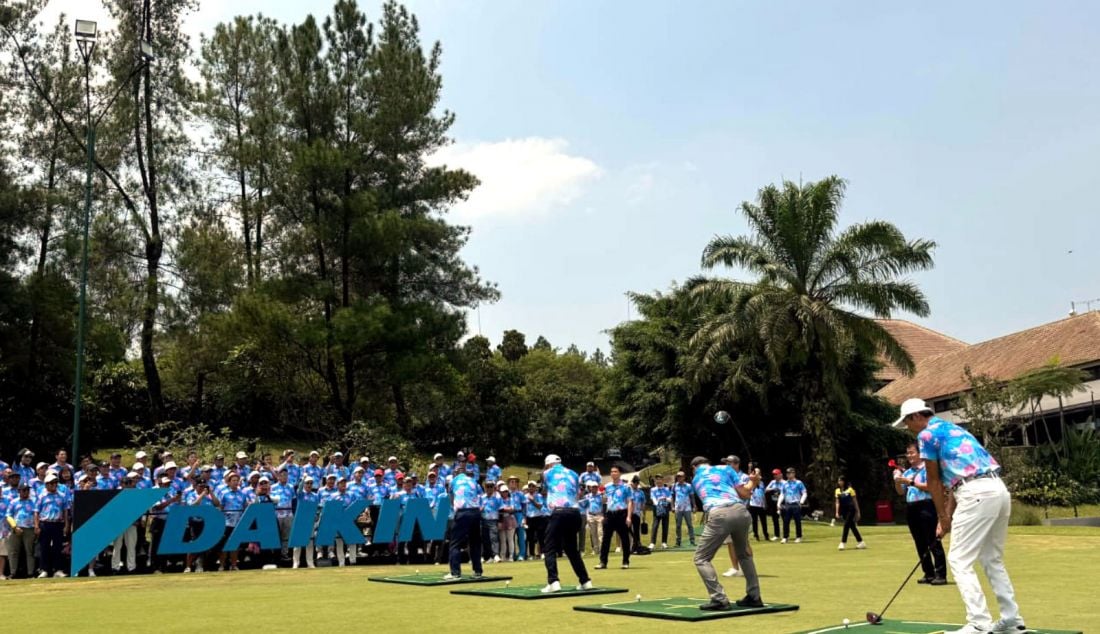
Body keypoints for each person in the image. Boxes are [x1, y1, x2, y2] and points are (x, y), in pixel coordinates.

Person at [896, 398, 1024, 634]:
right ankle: (1011, 620)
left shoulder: (926, 435)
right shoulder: (954, 428)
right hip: (998, 490)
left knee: (959, 559)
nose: (908, 429)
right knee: (991, 558)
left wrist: (943, 518)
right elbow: (956, 481)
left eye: (907, 423)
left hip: (975, 493)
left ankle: (979, 623)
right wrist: (947, 515)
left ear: (916, 416)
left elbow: (934, 481)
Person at [691, 455, 762, 611]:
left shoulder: (696, 479)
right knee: (744, 554)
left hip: (719, 514)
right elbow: (745, 494)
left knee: (701, 558)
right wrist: (754, 481)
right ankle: (754, 596)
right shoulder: (727, 468)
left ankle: (719, 599)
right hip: (741, 512)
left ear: (694, 467)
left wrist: (752, 482)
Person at [895, 440, 947, 585]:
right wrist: (898, 481)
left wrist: (911, 482)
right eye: (908, 453)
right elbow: (900, 492)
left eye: (912, 452)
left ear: (920, 453)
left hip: (927, 505)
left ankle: (940, 574)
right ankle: (928, 572)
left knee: (932, 539)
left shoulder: (927, 469)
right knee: (919, 541)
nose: (909, 455)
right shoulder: (908, 472)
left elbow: (932, 487)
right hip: (912, 507)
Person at [539, 454, 593, 593]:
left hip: (558, 512)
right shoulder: (574, 474)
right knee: (571, 549)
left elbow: (544, 490)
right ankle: (585, 580)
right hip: (574, 513)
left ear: (548, 464)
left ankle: (553, 582)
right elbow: (577, 493)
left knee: (549, 547)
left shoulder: (546, 473)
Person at [444, 466, 484, 580]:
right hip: (475, 512)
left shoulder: (453, 481)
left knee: (455, 543)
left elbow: (451, 498)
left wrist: (456, 508)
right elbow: (480, 495)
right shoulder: (473, 481)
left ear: (455, 474)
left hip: (463, 512)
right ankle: (477, 571)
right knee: (475, 542)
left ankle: (455, 572)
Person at [34, 473, 70, 578]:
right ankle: (44, 570)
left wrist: (66, 525)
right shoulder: (41, 496)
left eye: (55, 482)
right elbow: (36, 511)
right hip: (45, 523)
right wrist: (36, 526)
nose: (54, 485)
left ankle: (58, 569)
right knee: (44, 547)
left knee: (57, 547)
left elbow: (65, 511)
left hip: (58, 524)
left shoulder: (62, 495)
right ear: (46, 484)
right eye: (52, 483)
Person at [597, 465, 632, 570]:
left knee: (624, 538)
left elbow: (630, 502)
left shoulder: (626, 487)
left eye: (615, 471)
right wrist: (603, 514)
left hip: (621, 513)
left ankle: (625, 561)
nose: (613, 473)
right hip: (610, 514)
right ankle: (603, 562)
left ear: (620, 473)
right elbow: (604, 501)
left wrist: (629, 517)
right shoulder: (608, 487)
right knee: (606, 539)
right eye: (612, 471)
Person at [111, 472, 143, 574]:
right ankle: (115, 567)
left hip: (132, 523)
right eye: (125, 483)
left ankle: (131, 567)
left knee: (131, 546)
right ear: (121, 484)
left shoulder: (135, 495)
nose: (127, 485)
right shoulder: (116, 495)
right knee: (117, 546)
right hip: (118, 524)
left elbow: (138, 509)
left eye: (128, 483)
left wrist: (137, 520)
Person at [6, 483, 36, 578]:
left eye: (27, 490)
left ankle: (31, 573)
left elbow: (37, 514)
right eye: (23, 490)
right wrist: (14, 527)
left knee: (30, 551)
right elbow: (8, 515)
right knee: (13, 551)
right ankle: (13, 573)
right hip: (16, 528)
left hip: (30, 528)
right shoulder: (14, 502)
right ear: (19, 491)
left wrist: (36, 526)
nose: (26, 492)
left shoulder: (33, 501)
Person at [293, 477, 320, 568]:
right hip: (300, 520)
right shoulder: (301, 494)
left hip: (310, 521)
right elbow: (299, 489)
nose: (309, 485)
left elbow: (316, 507)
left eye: (310, 483)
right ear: (304, 484)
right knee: (298, 543)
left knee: (310, 543)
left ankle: (310, 562)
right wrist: (303, 479)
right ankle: (296, 562)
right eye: (307, 483)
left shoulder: (315, 496)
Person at [835, 475, 866, 550]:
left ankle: (843, 542)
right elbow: (837, 502)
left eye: (841, 481)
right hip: (844, 510)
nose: (839, 482)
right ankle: (861, 542)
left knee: (846, 525)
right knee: (852, 526)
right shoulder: (837, 491)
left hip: (851, 509)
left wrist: (858, 512)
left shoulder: (850, 489)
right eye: (839, 481)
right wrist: (837, 512)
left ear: (844, 481)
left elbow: (855, 501)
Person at [779, 467, 806, 543]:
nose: (788, 475)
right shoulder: (785, 483)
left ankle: (798, 536)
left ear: (794, 474)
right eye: (787, 473)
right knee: (786, 521)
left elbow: (804, 492)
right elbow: (782, 494)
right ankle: (785, 537)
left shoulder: (799, 483)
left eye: (790, 473)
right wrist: (779, 503)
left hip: (796, 504)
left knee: (797, 521)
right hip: (787, 504)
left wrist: (801, 502)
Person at [524, 481, 547, 558]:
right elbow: (524, 508)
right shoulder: (525, 496)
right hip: (529, 518)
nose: (531, 488)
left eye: (533, 486)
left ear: (535, 488)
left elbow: (540, 506)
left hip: (538, 517)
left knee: (541, 536)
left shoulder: (539, 496)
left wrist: (533, 500)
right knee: (530, 537)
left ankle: (543, 552)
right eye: (530, 486)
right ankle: (531, 554)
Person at [672, 471, 696, 548]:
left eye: (681, 476)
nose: (679, 478)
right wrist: (672, 506)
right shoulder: (674, 486)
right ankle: (678, 542)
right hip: (678, 508)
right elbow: (672, 496)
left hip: (687, 508)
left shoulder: (688, 486)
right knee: (678, 525)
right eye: (678, 476)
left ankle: (692, 541)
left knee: (689, 525)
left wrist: (694, 506)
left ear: (684, 477)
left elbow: (692, 496)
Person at [649, 475, 672, 549]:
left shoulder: (666, 489)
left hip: (665, 508)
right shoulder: (653, 489)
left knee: (665, 525)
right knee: (655, 526)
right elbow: (653, 498)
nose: (658, 481)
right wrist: (658, 503)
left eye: (660, 479)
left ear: (663, 480)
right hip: (657, 508)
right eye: (657, 479)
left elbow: (670, 499)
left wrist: (665, 498)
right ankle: (652, 543)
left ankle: (664, 542)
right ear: (655, 481)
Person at [748, 467, 770, 541]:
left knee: (764, 521)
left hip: (761, 505)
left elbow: (763, 494)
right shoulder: (751, 482)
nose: (757, 474)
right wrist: (750, 468)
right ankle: (756, 535)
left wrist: (765, 503)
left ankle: (766, 535)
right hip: (753, 505)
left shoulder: (762, 483)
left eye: (759, 472)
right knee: (754, 521)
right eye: (756, 472)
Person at [582, 481, 604, 555]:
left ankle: (602, 549)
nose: (594, 488)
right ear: (590, 488)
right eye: (592, 487)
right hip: (591, 516)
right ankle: (596, 550)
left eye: (595, 487)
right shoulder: (587, 496)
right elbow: (584, 505)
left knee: (600, 533)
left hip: (599, 515)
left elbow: (604, 504)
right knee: (593, 534)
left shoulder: (601, 496)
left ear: (597, 487)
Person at [497, 483, 516, 562]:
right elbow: (499, 509)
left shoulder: (511, 499)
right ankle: (503, 556)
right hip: (501, 519)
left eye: (506, 491)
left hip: (510, 519)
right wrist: (506, 509)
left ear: (508, 492)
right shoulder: (499, 500)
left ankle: (511, 555)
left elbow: (512, 509)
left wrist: (504, 509)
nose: (504, 493)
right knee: (503, 540)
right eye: (503, 492)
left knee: (510, 539)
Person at [629, 475, 647, 553]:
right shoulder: (628, 491)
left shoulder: (641, 492)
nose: (636, 484)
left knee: (636, 531)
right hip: (629, 513)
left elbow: (643, 504)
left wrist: (644, 515)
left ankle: (636, 546)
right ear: (632, 483)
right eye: (635, 483)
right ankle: (633, 545)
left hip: (637, 513)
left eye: (637, 483)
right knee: (628, 530)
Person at [764, 469, 783, 541]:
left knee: (784, 519)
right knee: (775, 519)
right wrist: (773, 488)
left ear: (780, 475)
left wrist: (780, 489)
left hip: (782, 502)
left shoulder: (784, 482)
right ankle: (776, 535)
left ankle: (784, 535)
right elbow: (766, 489)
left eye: (776, 474)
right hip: (773, 502)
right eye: (774, 474)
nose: (775, 476)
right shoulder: (772, 482)